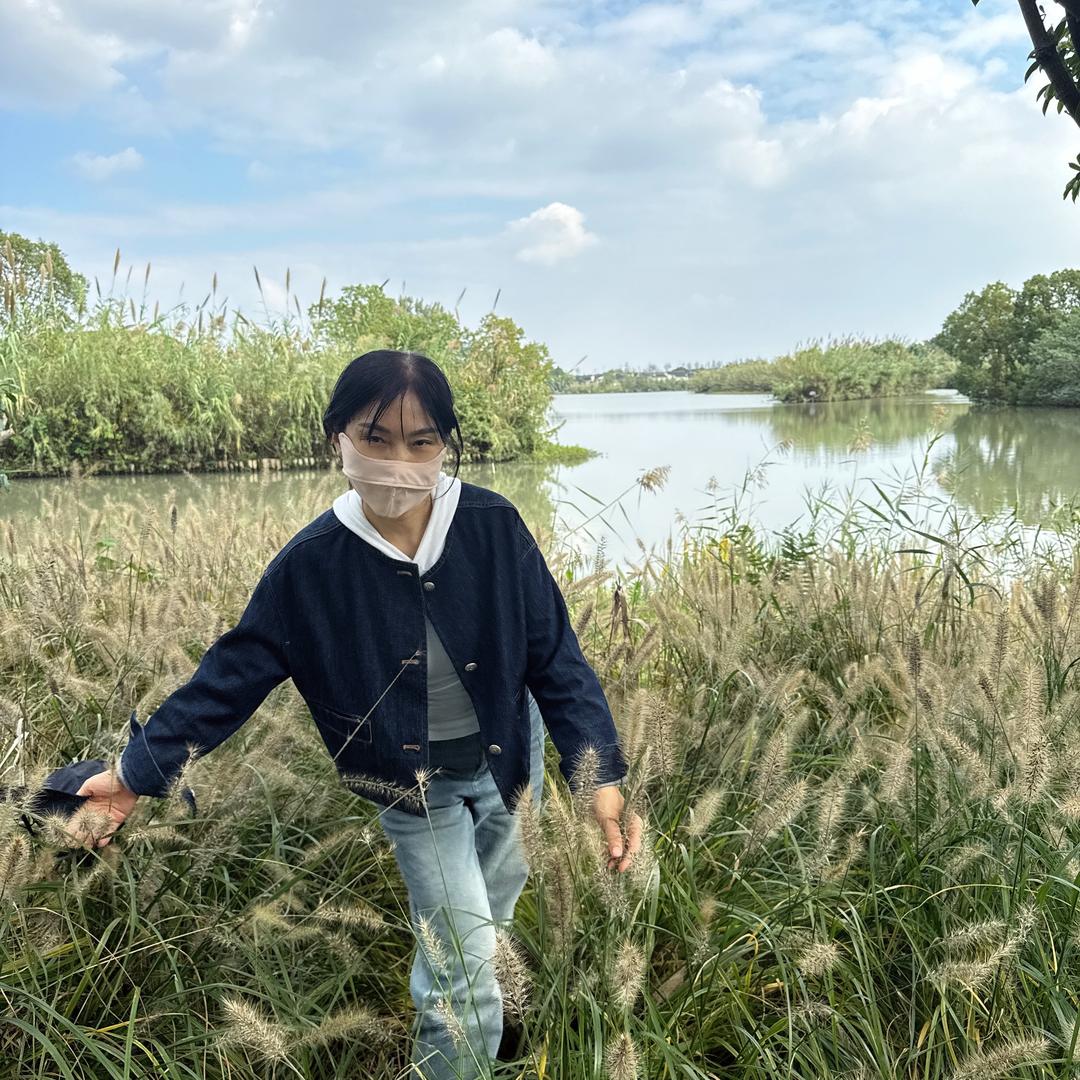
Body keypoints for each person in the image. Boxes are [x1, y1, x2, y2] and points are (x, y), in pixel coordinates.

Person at [69, 349, 643, 1079]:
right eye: (375, 438)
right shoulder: (312, 565)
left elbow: (555, 657)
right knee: (464, 970)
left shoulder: (492, 526)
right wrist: (131, 773)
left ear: (446, 445)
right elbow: (230, 679)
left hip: (508, 767)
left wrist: (599, 776)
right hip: (412, 788)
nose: (399, 463)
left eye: (421, 442)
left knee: (486, 926)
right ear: (336, 435)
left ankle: (472, 1026)